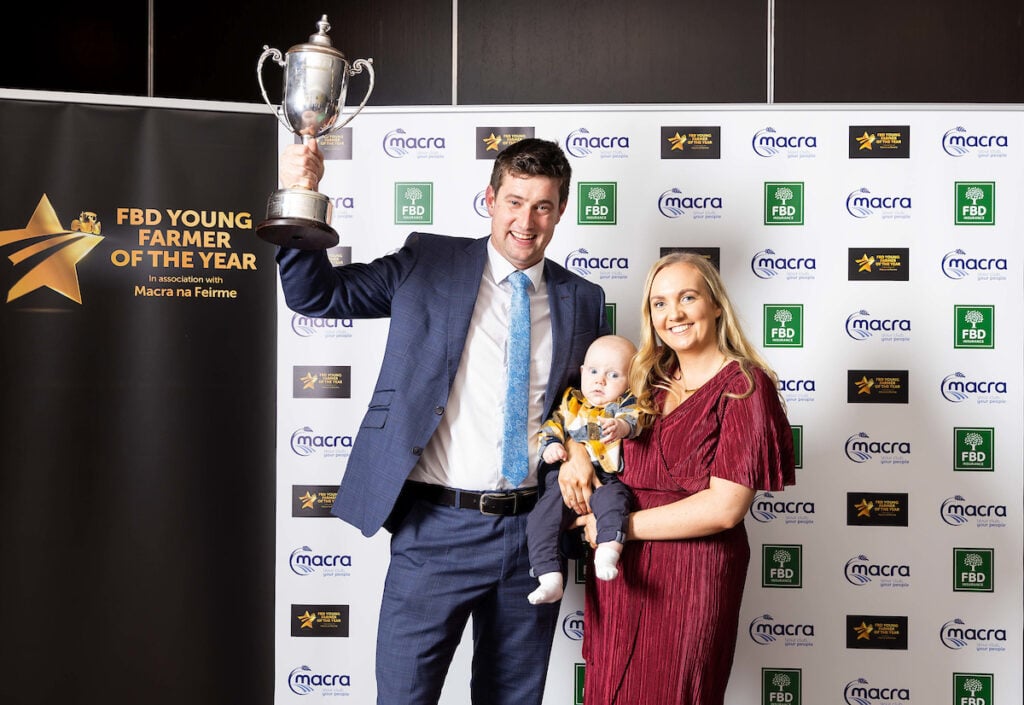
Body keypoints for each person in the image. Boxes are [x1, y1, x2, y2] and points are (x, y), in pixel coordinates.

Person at [275, 136, 610, 705]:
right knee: (405, 696)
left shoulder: (584, 298)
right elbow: (316, 296)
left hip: (533, 536)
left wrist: (579, 448)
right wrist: (301, 196)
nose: (526, 221)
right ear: (489, 199)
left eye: (543, 206)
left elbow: (582, 408)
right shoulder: (427, 261)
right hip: (435, 530)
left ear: (561, 211)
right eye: (514, 201)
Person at [568, 252, 796, 705]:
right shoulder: (647, 381)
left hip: (693, 576)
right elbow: (583, 419)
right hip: (622, 575)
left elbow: (724, 508)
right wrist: (575, 454)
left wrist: (617, 528)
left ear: (715, 304)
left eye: (687, 297)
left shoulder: (746, 387)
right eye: (659, 303)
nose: (673, 314)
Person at [527, 334, 639, 605]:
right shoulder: (571, 401)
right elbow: (552, 426)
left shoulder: (625, 404)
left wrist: (622, 427)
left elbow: (633, 420)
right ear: (581, 373)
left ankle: (608, 552)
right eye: (593, 372)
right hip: (565, 482)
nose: (600, 381)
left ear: (630, 380)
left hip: (607, 477)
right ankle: (549, 576)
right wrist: (552, 444)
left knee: (614, 503)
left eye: (613, 375)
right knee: (541, 518)